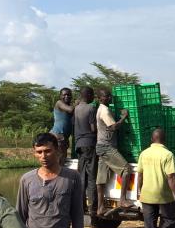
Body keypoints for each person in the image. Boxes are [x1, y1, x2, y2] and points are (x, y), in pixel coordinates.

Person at [137, 128, 175, 228]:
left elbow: (139, 175)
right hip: (163, 195)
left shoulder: (144, 153)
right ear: (164, 140)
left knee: (149, 224)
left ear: (152, 139)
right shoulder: (167, 155)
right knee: (170, 219)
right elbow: (171, 177)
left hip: (147, 194)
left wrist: (140, 191)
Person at [95, 89, 133, 216]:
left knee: (101, 178)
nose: (109, 98)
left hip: (101, 146)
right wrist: (123, 117)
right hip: (107, 147)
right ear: (100, 98)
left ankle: (100, 207)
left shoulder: (102, 109)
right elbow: (113, 127)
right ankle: (122, 200)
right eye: (106, 96)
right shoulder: (104, 110)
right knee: (126, 169)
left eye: (110, 95)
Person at [73, 87, 98, 215]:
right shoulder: (91, 108)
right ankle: (93, 208)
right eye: (92, 94)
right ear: (87, 95)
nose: (94, 97)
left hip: (79, 145)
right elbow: (93, 128)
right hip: (89, 144)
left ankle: (82, 207)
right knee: (92, 177)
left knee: (82, 177)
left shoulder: (76, 109)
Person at [51, 88, 75, 166]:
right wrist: (78, 102)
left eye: (68, 95)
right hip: (58, 135)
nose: (66, 96)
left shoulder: (69, 106)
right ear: (60, 96)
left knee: (62, 159)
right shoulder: (59, 103)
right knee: (59, 161)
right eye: (64, 95)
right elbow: (71, 110)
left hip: (64, 137)